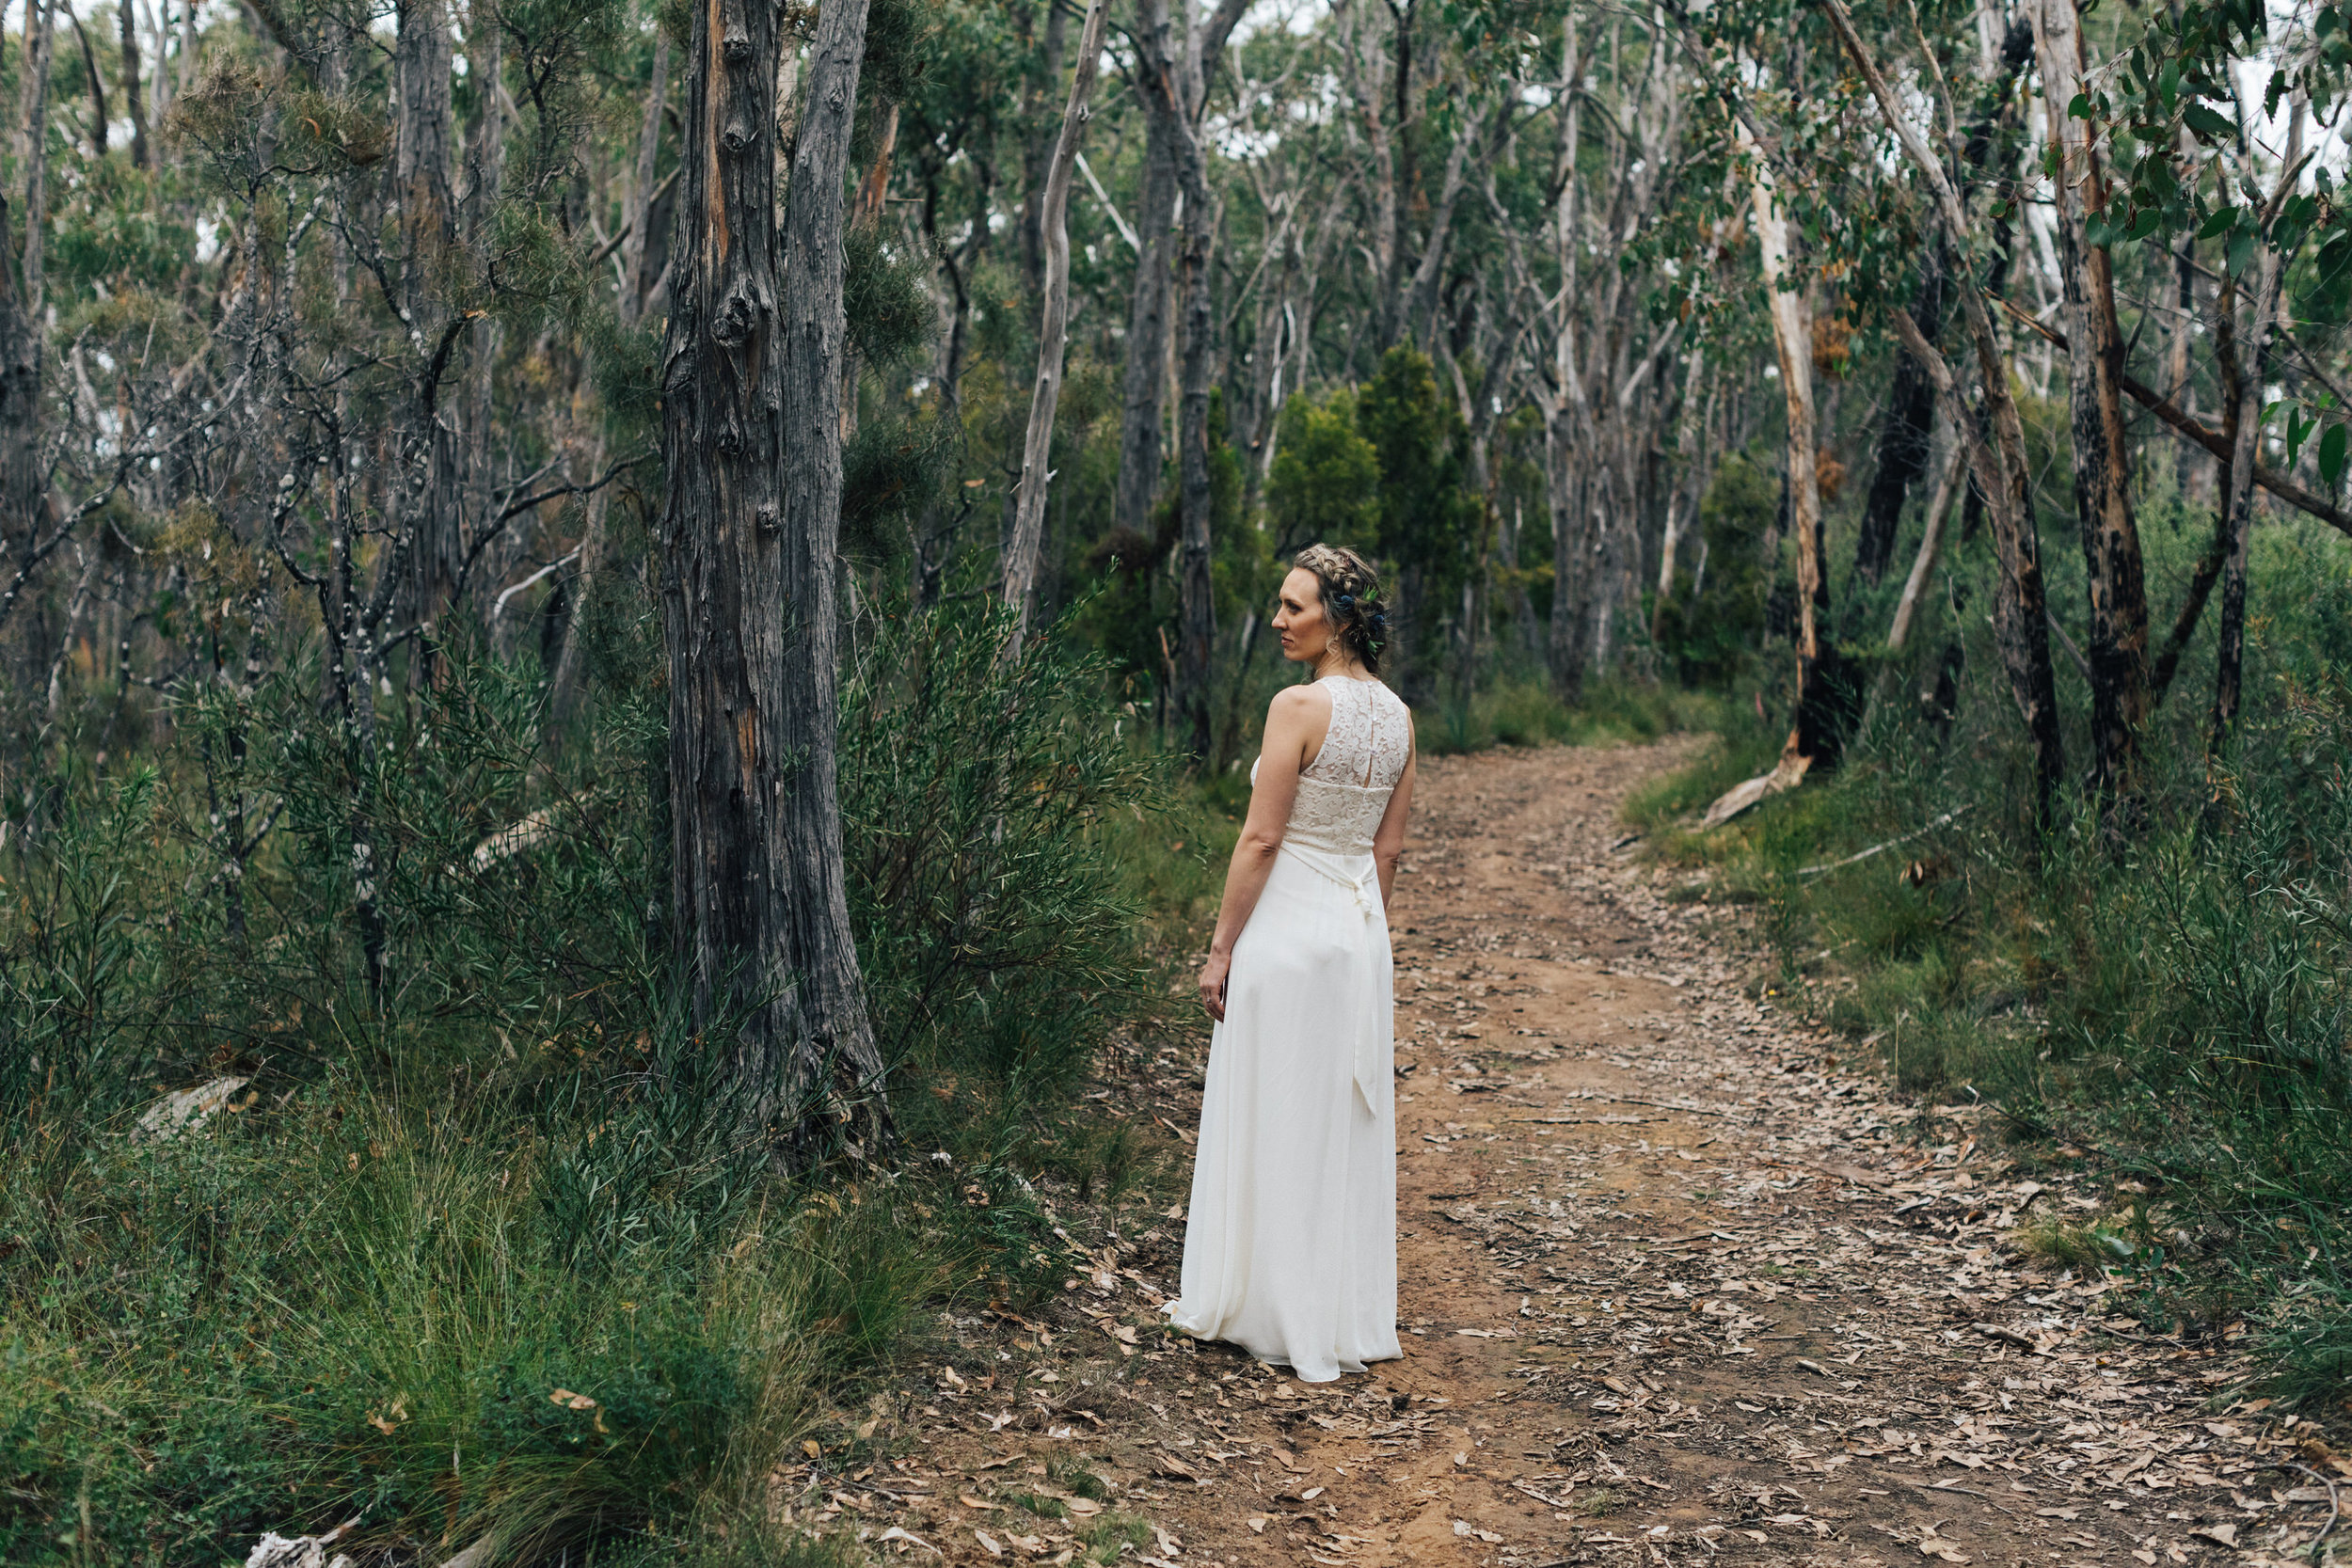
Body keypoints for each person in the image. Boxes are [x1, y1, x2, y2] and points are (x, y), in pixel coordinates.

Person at [1164, 543, 1416, 1383]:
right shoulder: (1400, 717)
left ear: (1338, 618)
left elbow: (1263, 836)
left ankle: (1264, 1306)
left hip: (1287, 932)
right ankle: (1336, 1313)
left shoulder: (1298, 706)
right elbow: (1387, 854)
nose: (1278, 620)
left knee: (1276, 1109)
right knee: (1334, 1123)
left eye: (1293, 607)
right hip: (1357, 937)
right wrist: (1363, 939)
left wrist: (1221, 945)